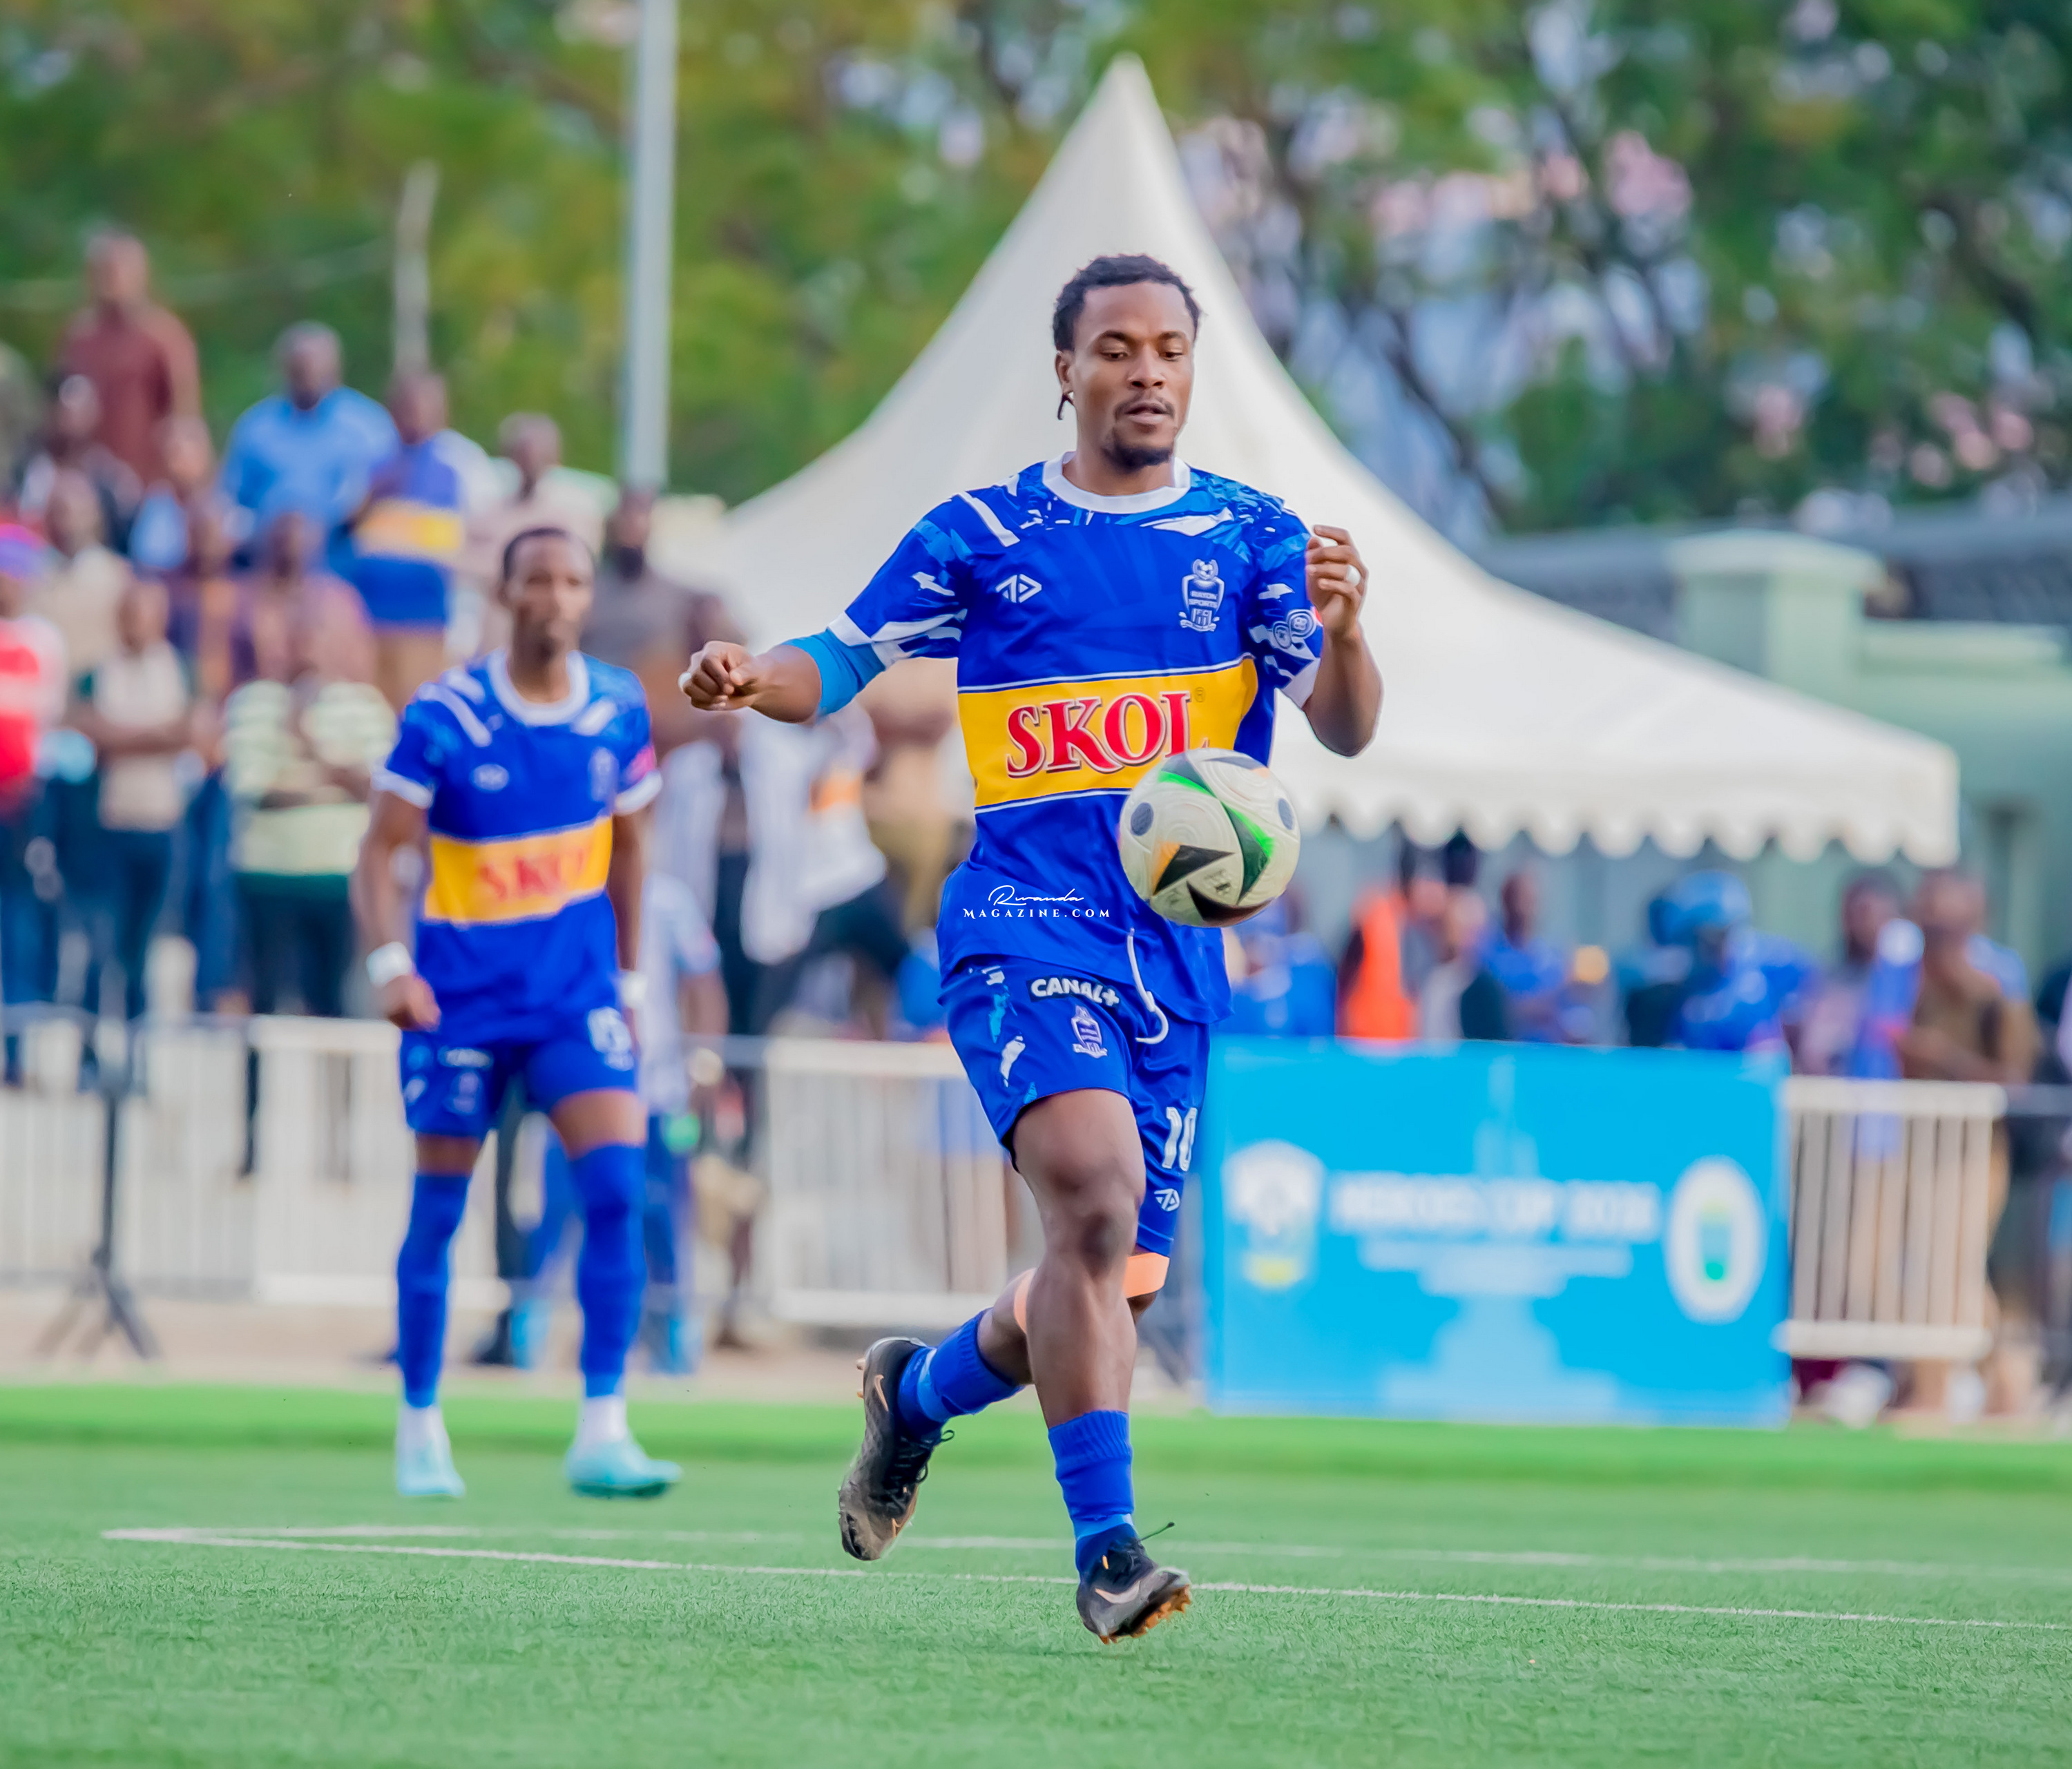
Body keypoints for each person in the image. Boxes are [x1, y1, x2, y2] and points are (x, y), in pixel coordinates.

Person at [682, 253, 1381, 1638]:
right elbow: (840, 656)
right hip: (1021, 923)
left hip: (1173, 960)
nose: (1147, 371)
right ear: (1066, 370)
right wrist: (753, 678)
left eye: (1170, 348)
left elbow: (1347, 727)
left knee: (1107, 1272)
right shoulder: (985, 532)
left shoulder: (1253, 539)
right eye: (1116, 347)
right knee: (1092, 1201)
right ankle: (1109, 1553)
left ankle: (915, 1395)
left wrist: (1350, 635)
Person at [352, 525, 678, 1500]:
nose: (558, 596)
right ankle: (419, 1424)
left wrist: (630, 986)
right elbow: (378, 850)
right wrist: (390, 966)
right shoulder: (446, 713)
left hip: (575, 999)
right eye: (539, 579)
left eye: (574, 580)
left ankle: (603, 1429)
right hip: (461, 1003)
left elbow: (632, 847)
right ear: (506, 594)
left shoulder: (618, 707)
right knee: (440, 1211)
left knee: (617, 1187)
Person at [514, 871, 729, 1375]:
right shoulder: (561, 882)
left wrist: (705, 1063)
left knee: (658, 1217)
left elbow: (704, 982)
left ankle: (671, 1345)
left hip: (655, 1092)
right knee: (558, 1216)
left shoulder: (668, 897)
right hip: (573, 1092)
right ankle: (533, 1340)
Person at [222, 525, 391, 1017]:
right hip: (267, 873)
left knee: (333, 1002)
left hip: (337, 874)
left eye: (316, 636)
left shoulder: (365, 707)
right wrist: (338, 783)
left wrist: (309, 749)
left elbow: (379, 791)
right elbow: (255, 789)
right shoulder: (252, 704)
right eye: (296, 638)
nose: (306, 648)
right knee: (266, 998)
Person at [68, 577, 191, 1021]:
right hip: (110, 825)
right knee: (101, 943)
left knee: (144, 948)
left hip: (160, 823)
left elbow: (193, 732)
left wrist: (121, 737)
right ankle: (90, 1042)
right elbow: (88, 731)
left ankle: (138, 1041)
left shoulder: (179, 671)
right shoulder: (97, 673)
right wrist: (157, 735)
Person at [218, 323, 396, 578]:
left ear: (336, 368)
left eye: (316, 366)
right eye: (299, 367)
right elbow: (232, 501)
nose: (308, 374)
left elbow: (389, 496)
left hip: (350, 567)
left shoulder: (369, 428)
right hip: (268, 569)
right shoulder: (256, 428)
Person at [349, 371, 469, 711]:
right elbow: (347, 530)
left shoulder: (457, 469)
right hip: (370, 617)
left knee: (416, 711)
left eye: (423, 407)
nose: (414, 416)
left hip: (424, 621)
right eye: (406, 407)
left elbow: (464, 550)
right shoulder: (371, 467)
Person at [56, 231, 201, 488]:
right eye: (105, 272)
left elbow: (184, 416)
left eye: (119, 271)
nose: (112, 280)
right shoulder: (80, 339)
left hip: (149, 482)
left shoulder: (163, 337)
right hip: (91, 482)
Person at [457, 414, 603, 660]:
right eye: (523, 453)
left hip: (549, 638)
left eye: (538, 454)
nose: (530, 462)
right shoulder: (489, 513)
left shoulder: (571, 517)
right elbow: (463, 563)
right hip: (496, 637)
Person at [0, 527, 65, 1024]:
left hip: (24, 800)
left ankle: (20, 1024)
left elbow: (48, 719)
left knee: (20, 907)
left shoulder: (42, 642)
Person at [15, 375, 141, 549]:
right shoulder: (36, 468)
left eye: (81, 412)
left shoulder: (109, 474)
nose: (73, 420)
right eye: (68, 412)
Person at [34, 468, 131, 682]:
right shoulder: (35, 576)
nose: (67, 523)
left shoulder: (117, 575)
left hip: (97, 689)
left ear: (94, 515)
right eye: (59, 512)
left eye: (76, 512)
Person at [128, 415, 247, 577]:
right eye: (174, 455)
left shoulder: (224, 501)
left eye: (188, 454)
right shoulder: (157, 505)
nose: (181, 463)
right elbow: (149, 559)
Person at [1220, 896, 1336, 1037]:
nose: (1262, 941)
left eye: (1272, 929)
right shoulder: (1229, 992)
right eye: (1253, 930)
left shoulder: (1305, 988)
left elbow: (1320, 1039)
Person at [1483, 871, 1567, 1041]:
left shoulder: (1551, 955)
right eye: (1523, 898)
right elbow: (1503, 1010)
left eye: (1534, 899)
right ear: (1507, 901)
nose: (1530, 908)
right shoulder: (1491, 955)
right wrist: (1560, 990)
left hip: (1550, 1052)